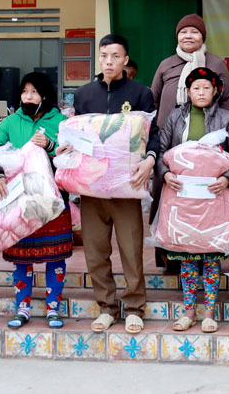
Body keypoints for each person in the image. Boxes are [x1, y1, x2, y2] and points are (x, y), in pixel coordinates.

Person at [68, 34, 156, 335]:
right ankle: (106, 307)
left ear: (125, 60)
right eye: (104, 55)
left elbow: (151, 134)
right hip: (92, 188)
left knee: (131, 250)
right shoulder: (83, 95)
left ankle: (134, 308)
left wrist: (150, 159)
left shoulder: (141, 93)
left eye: (115, 56)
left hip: (125, 186)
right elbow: (77, 135)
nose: (109, 61)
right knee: (95, 252)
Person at [152, 68, 229, 334]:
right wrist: (165, 173)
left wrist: (228, 178)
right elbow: (160, 151)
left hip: (213, 196)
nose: (202, 92)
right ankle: (189, 312)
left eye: (207, 87)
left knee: (211, 257)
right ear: (188, 92)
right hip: (181, 197)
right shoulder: (175, 117)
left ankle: (210, 313)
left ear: (215, 91)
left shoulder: (227, 118)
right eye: (196, 88)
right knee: (188, 257)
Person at [0, 72, 71, 330]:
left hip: (52, 200)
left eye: (34, 92)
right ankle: (22, 306)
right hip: (19, 201)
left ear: (45, 95)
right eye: (25, 92)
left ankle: (53, 307)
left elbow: (71, 154)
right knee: (21, 257)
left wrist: (49, 144)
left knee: (55, 256)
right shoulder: (10, 122)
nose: (28, 96)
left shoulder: (61, 121)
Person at [151, 13, 229, 128]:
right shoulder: (166, 64)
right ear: (177, 37)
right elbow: (153, 100)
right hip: (168, 133)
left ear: (202, 37)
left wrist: (227, 131)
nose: (188, 36)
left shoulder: (216, 63)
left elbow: (228, 100)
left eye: (194, 32)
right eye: (183, 32)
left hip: (209, 133)